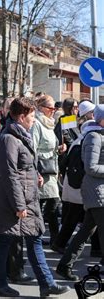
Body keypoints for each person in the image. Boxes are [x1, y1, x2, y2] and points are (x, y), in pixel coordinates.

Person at [0, 97, 70, 297]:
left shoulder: (21, 135)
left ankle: (46, 283)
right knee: (3, 242)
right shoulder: (8, 138)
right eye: (32, 116)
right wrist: (19, 204)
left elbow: (24, 166)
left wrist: (35, 175)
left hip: (28, 197)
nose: (34, 120)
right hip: (13, 201)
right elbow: (9, 174)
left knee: (33, 239)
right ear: (21, 117)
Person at [56, 105, 104, 280]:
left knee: (85, 232)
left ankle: (64, 265)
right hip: (97, 192)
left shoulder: (100, 135)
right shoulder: (93, 137)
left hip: (99, 192)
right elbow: (90, 167)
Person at [32, 95, 65, 245]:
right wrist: (35, 171)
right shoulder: (37, 123)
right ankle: (36, 237)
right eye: (50, 108)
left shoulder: (49, 123)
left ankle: (54, 238)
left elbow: (50, 146)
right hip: (42, 171)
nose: (53, 111)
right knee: (42, 204)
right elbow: (33, 148)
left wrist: (59, 149)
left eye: (54, 108)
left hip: (51, 170)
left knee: (53, 203)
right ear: (41, 108)